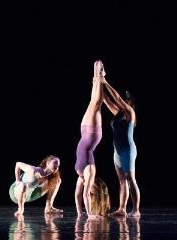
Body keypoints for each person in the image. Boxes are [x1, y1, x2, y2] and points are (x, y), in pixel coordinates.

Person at [100, 63, 141, 217]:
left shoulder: (130, 113)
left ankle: (136, 210)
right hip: (117, 151)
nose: (120, 102)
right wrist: (98, 83)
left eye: (124, 100)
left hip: (128, 150)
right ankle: (121, 209)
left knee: (131, 179)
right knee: (122, 181)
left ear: (129, 102)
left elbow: (115, 97)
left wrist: (105, 81)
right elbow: (106, 100)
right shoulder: (117, 113)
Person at [74, 60, 105, 219]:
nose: (90, 192)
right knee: (97, 103)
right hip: (92, 132)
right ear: (95, 187)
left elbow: (78, 195)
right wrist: (91, 215)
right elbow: (84, 195)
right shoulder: (90, 172)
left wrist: (80, 213)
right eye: (93, 191)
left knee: (93, 102)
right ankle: (98, 75)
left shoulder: (82, 177)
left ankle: (96, 76)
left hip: (85, 130)